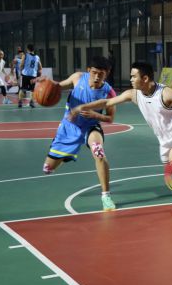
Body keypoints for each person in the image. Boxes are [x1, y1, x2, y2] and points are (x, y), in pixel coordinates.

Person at [70, 61, 172, 213]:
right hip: (164, 139)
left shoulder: (165, 93)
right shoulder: (134, 94)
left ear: (145, 78)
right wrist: (83, 106)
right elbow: (108, 102)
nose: (131, 79)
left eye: (134, 76)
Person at [42, 56, 118, 211]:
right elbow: (57, 87)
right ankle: (65, 156)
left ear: (107, 73)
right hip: (69, 127)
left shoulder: (109, 92)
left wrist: (95, 115)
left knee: (99, 153)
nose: (97, 77)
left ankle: (106, 196)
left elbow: (110, 118)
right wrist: (45, 84)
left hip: (91, 127)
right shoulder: (77, 78)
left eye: (101, 74)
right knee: (48, 169)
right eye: (94, 73)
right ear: (88, 70)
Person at [19, 44, 42, 108]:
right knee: (32, 90)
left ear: (27, 49)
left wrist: (21, 71)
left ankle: (20, 102)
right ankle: (31, 102)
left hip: (25, 75)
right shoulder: (37, 57)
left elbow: (21, 65)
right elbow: (40, 67)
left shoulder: (25, 55)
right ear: (34, 49)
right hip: (33, 75)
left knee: (23, 89)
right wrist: (39, 74)